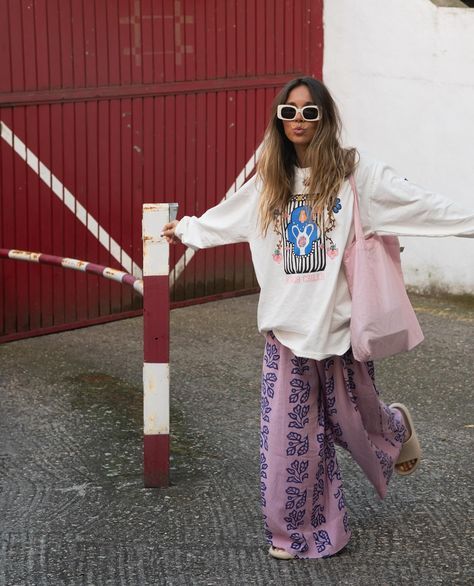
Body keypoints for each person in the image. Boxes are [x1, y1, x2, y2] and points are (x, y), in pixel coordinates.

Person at [162, 77, 474, 560]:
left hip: (343, 332)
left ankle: (394, 428)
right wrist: (184, 230)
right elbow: (223, 219)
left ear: (326, 118)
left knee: (356, 424)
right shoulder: (269, 182)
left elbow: (423, 207)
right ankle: (298, 533)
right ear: (279, 120)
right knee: (291, 439)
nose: (299, 122)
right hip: (287, 333)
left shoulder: (357, 176)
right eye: (289, 113)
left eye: (310, 113)